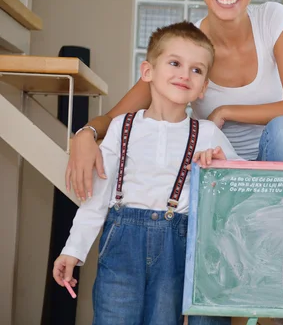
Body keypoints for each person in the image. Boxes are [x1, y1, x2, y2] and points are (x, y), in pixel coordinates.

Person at [66, 0, 283, 201]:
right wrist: (84, 134)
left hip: (273, 171)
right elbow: (115, 118)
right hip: (214, 170)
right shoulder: (187, 49)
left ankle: (277, 222)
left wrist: (226, 110)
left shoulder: (272, 20)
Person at [52, 22, 241, 324]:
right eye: (175, 63)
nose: (184, 74)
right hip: (121, 248)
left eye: (196, 70)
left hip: (174, 252)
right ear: (147, 72)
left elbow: (240, 189)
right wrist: (72, 250)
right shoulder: (121, 127)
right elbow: (97, 200)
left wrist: (219, 166)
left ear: (204, 87)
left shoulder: (208, 134)